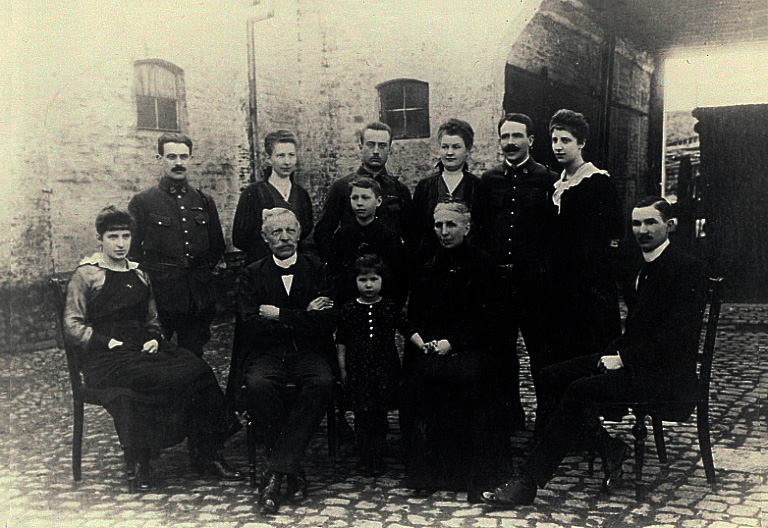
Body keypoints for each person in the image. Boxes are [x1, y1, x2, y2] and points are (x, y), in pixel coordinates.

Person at [481, 197, 708, 508]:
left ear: (670, 226)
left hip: (665, 376)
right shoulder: (639, 263)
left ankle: (528, 482)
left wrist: (623, 359)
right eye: (636, 223)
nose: (642, 230)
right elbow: (638, 329)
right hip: (636, 362)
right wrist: (611, 353)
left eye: (651, 222)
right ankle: (608, 446)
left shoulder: (687, 269)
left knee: (579, 389)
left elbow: (677, 340)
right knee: (550, 376)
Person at [64, 206, 242, 492]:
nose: (121, 244)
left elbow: (152, 318)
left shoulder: (139, 274)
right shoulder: (86, 276)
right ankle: (151, 457)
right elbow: (72, 326)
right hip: (106, 360)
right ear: (100, 240)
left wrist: (155, 337)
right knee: (177, 377)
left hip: (139, 352)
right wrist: (105, 341)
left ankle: (206, 451)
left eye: (125, 236)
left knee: (196, 366)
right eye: (113, 237)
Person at [401, 202, 511, 503]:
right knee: (423, 375)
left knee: (469, 376)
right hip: (436, 348)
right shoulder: (428, 266)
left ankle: (473, 474)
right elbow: (416, 315)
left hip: (476, 348)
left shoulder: (485, 266)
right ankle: (431, 473)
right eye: (439, 226)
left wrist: (456, 342)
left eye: (451, 225)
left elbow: (495, 321)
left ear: (467, 227)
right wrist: (423, 340)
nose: (444, 232)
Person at [229, 207, 336, 515]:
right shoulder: (251, 273)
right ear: (265, 238)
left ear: (300, 234)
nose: (285, 237)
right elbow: (251, 324)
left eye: (290, 231)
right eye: (277, 232)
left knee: (322, 382)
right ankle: (292, 469)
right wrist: (305, 316)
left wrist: (280, 315)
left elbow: (327, 322)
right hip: (268, 354)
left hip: (309, 353)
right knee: (258, 385)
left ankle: (276, 473)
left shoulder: (318, 269)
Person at [472, 113, 558, 431]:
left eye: (516, 136)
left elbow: (554, 234)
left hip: (534, 283)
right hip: (498, 285)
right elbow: (478, 232)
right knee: (501, 354)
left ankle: (546, 422)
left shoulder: (547, 179)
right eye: (505, 136)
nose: (510, 143)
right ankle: (509, 419)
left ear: (531, 141)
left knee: (541, 353)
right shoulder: (488, 181)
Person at [128, 133, 225, 358]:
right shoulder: (143, 202)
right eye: (171, 156)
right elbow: (132, 252)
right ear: (159, 159)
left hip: (195, 297)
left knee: (192, 354)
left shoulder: (203, 201)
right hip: (161, 295)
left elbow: (217, 246)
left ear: (190, 159)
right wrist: (150, 281)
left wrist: (200, 274)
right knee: (157, 355)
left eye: (183, 156)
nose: (178, 163)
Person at [547, 109, 624, 365]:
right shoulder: (557, 186)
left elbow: (613, 236)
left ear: (581, 143)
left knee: (591, 356)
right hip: (562, 291)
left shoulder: (597, 183)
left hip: (590, 292)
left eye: (566, 140)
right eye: (555, 140)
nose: (558, 147)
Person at [336, 255, 425, 476]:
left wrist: (423, 344)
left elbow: (406, 328)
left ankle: (378, 455)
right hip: (358, 369)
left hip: (384, 368)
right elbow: (342, 341)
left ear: (382, 280)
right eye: (363, 280)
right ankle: (365, 456)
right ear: (355, 281)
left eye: (374, 279)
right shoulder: (349, 310)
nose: (368, 285)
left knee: (379, 413)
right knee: (362, 413)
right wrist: (343, 369)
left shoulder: (389, 307)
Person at [313, 122, 412, 262]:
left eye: (382, 145)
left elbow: (412, 236)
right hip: (352, 270)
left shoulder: (399, 190)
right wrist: (335, 264)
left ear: (390, 150)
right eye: (371, 145)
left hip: (389, 270)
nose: (376, 151)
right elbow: (323, 232)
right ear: (360, 147)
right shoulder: (341, 187)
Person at [232, 130, 314, 266]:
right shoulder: (253, 193)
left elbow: (305, 230)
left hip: (294, 265)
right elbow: (240, 238)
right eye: (281, 155)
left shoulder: (301, 194)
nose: (287, 162)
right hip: (262, 267)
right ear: (269, 159)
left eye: (291, 155)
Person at [409, 118, 481, 264]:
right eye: (445, 147)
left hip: (469, 263)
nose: (449, 152)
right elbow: (415, 230)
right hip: (432, 263)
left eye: (456, 147)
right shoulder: (425, 186)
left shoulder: (477, 186)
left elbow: (482, 229)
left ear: (467, 150)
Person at [328, 177, 408, 305]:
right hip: (348, 304)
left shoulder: (389, 237)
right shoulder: (342, 235)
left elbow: (399, 277)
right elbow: (334, 272)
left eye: (365, 198)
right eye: (355, 198)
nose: (359, 203)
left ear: (378, 201)